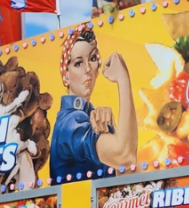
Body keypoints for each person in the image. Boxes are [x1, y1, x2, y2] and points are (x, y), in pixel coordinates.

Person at [50, 25, 138, 182]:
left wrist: (111, 127)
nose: (88, 69)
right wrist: (123, 79)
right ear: (66, 75)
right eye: (78, 63)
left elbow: (128, 173)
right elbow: (125, 157)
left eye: (92, 59)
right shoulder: (70, 122)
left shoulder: (88, 117)